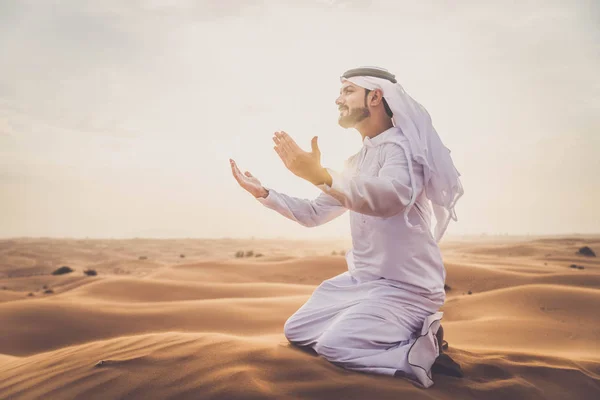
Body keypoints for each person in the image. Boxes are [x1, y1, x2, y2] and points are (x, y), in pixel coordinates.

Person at [229, 66, 464, 388]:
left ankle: (423, 349)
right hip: (362, 282)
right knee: (297, 330)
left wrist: (320, 175)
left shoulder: (404, 150)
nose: (338, 98)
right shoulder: (356, 161)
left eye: (348, 91)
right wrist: (265, 194)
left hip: (407, 287)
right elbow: (314, 213)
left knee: (335, 346)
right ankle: (401, 333)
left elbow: (391, 198)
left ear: (376, 96)